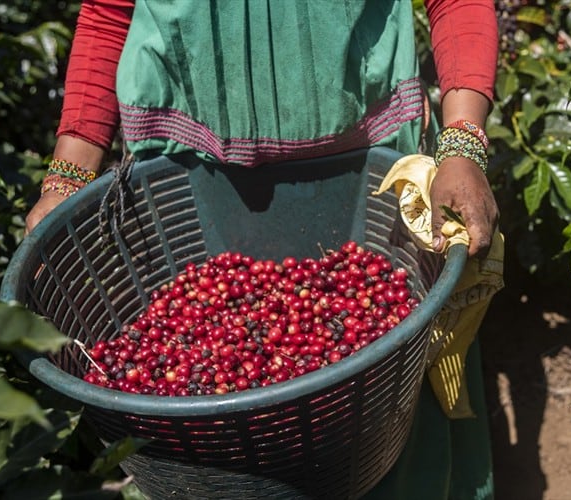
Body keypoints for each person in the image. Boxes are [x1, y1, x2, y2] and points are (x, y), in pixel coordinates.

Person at [25, 1, 500, 498]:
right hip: (189, 173)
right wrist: (67, 176)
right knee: (210, 453)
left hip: (364, 163)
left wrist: (463, 139)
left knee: (382, 396)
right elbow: (108, 10)